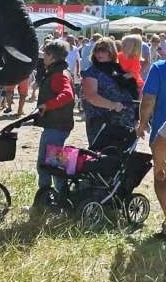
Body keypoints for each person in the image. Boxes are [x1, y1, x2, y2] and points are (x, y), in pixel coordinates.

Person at [34, 40, 75, 202]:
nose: (43, 56)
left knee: (46, 164)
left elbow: (67, 95)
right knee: (56, 162)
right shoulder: (61, 71)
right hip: (59, 125)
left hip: (56, 126)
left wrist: (47, 105)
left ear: (51, 56)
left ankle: (45, 199)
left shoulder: (58, 74)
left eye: (45, 54)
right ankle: (63, 197)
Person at [81, 37, 138, 145]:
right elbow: (91, 96)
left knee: (123, 156)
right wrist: (113, 105)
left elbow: (132, 90)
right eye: (97, 50)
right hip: (102, 122)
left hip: (125, 121)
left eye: (104, 50)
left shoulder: (118, 69)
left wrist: (136, 116)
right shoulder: (91, 72)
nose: (99, 53)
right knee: (103, 156)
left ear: (111, 52)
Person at [137, 57, 166, 237]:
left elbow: (148, 100)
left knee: (162, 176)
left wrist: (142, 125)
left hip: (162, 136)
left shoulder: (159, 68)